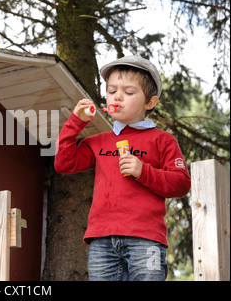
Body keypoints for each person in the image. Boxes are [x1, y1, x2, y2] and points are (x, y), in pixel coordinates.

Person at [54, 56, 191, 281]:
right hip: (101, 240)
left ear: (150, 102)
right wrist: (75, 123)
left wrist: (143, 171)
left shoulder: (163, 140)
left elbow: (181, 184)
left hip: (148, 240)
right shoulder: (98, 141)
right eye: (111, 91)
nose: (117, 96)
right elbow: (64, 163)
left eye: (128, 92)